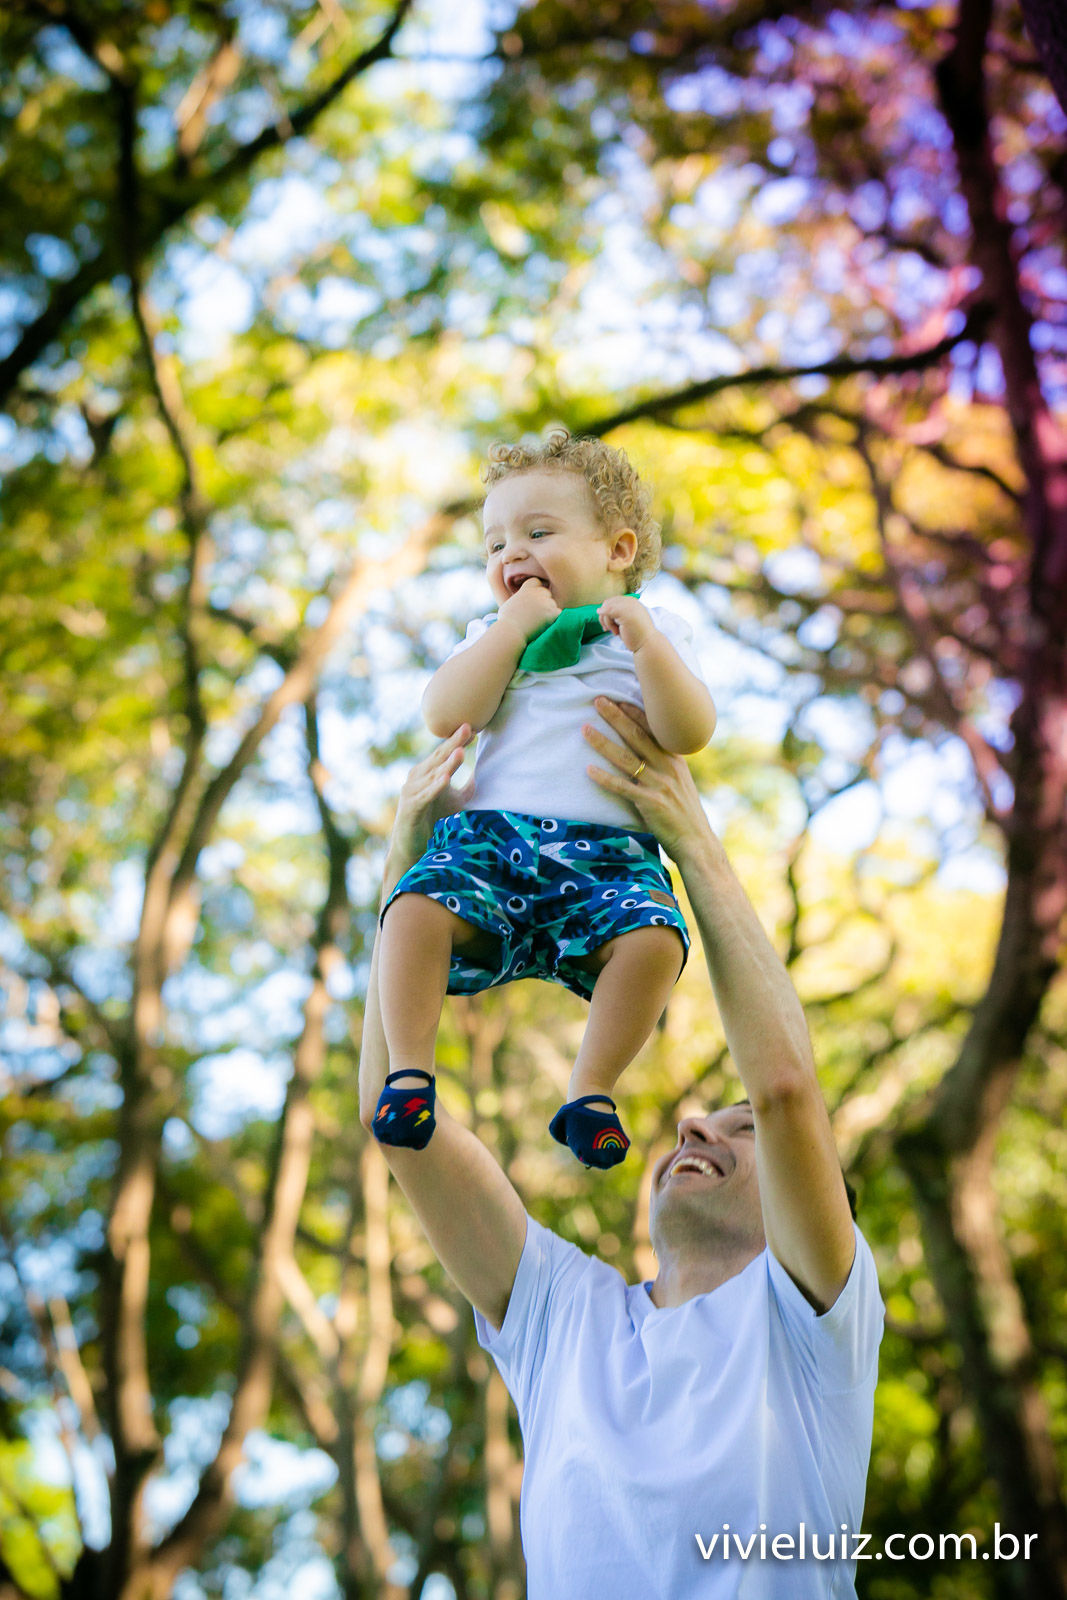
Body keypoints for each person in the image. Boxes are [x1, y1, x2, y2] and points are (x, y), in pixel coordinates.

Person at [359, 700, 884, 1599]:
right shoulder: (566, 1319)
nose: (695, 1126)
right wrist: (406, 869)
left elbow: (788, 1090)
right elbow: (397, 1125)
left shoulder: (809, 1321)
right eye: (705, 1119)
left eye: (739, 1128)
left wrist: (692, 844)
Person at [372, 430, 716, 1168]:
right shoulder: (492, 636)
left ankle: (590, 1091)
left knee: (657, 939)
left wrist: (648, 648)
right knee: (411, 906)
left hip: (610, 855)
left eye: (537, 532)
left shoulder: (653, 635)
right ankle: (409, 1070)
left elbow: (687, 731)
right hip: (492, 842)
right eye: (494, 545)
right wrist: (509, 632)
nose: (509, 556)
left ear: (617, 552)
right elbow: (444, 711)